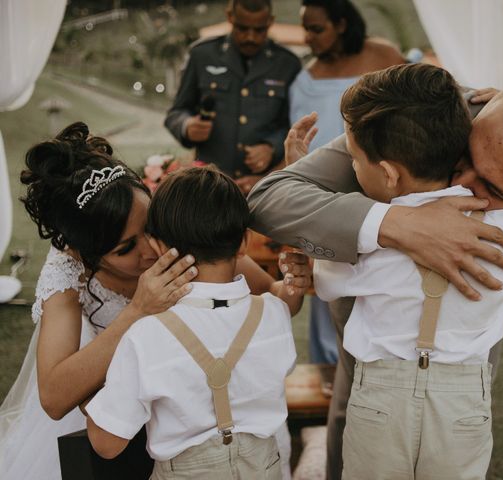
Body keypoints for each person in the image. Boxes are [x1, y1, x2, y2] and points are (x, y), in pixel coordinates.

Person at [248, 70, 503, 478]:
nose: (462, 186)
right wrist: (399, 224)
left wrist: (482, 287)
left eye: (493, 189)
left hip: (467, 378)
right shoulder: (420, 113)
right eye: (464, 156)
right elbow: (270, 198)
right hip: (364, 364)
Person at [0, 122, 311, 480]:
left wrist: (291, 289)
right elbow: (54, 399)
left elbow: (272, 300)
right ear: (82, 255)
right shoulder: (67, 276)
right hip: (119, 434)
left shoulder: (183, 233)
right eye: (126, 248)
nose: (151, 250)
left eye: (150, 226)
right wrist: (137, 312)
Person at [86, 166, 297, 479]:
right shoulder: (274, 313)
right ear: (243, 243)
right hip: (265, 466)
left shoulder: (146, 335)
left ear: (158, 247)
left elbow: (107, 444)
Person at [289, 0, 405, 365]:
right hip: (327, 184)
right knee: (329, 272)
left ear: (341, 24)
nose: (308, 38)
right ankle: (331, 363)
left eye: (317, 28)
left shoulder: (384, 54)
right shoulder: (305, 77)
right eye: (305, 28)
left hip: (383, 180)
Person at [164, 0, 301, 194]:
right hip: (209, 188)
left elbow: (294, 125)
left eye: (259, 30)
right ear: (230, 17)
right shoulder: (202, 55)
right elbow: (176, 113)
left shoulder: (288, 64)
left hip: (262, 188)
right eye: (242, 28)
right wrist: (187, 126)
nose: (250, 37)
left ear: (270, 21)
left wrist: (272, 147)